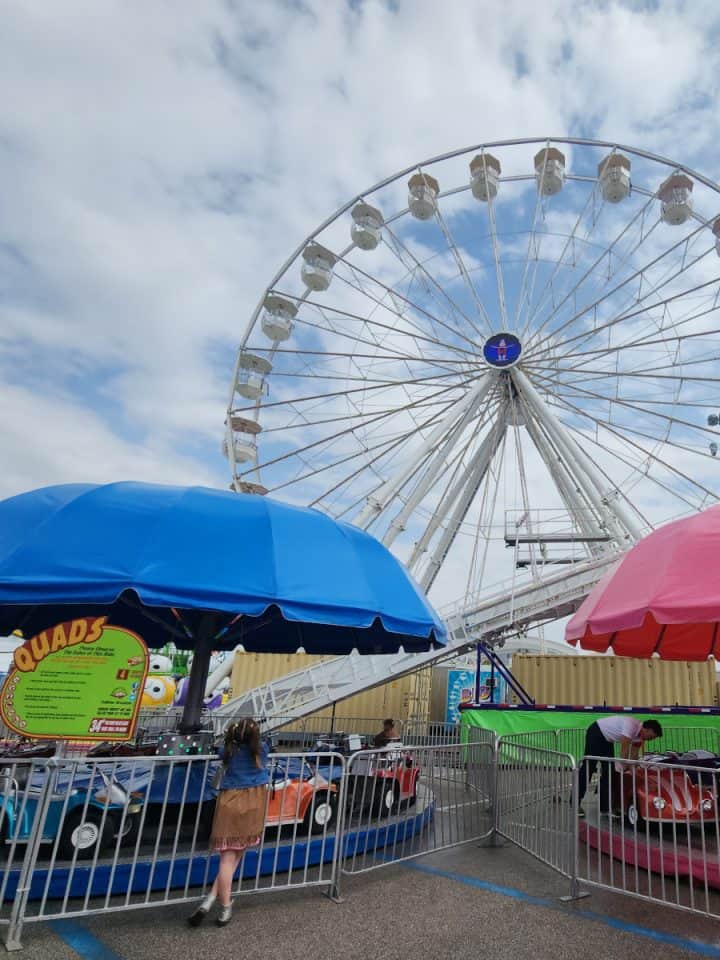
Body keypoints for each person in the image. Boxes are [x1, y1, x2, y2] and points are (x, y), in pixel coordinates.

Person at [188, 719, 269, 927]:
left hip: (230, 801)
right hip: (254, 803)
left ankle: (212, 900)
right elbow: (262, 750)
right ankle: (223, 905)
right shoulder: (261, 750)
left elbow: (222, 753)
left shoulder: (228, 751)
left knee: (228, 859)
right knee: (234, 857)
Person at [577, 716, 662, 816]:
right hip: (597, 732)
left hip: (607, 740)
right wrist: (625, 768)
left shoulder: (640, 737)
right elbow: (624, 754)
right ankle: (575, 802)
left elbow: (633, 758)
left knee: (609, 772)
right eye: (651, 737)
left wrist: (637, 775)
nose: (650, 740)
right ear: (647, 730)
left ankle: (605, 809)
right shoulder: (631, 726)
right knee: (588, 768)